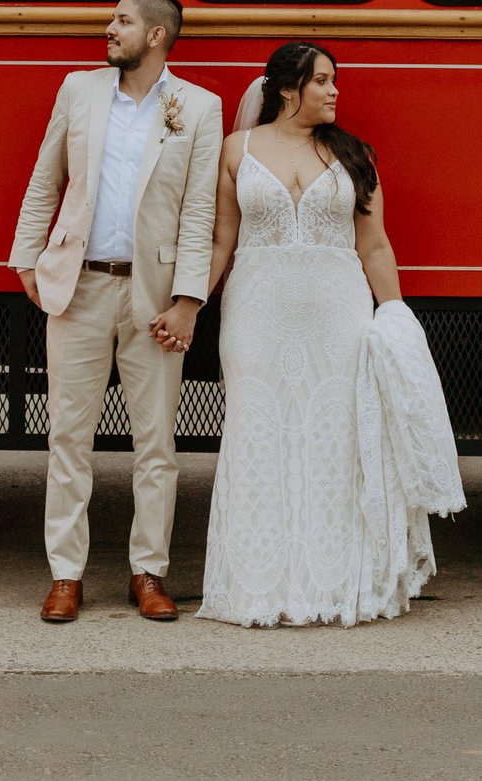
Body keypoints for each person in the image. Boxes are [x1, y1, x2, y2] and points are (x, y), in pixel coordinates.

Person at [160, 42, 465, 627]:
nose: (334, 92)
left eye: (334, 81)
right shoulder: (236, 149)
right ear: (285, 89)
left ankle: (332, 585)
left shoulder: (356, 155)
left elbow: (374, 244)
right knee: (258, 432)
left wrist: (395, 316)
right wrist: (188, 307)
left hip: (339, 315)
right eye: (322, 81)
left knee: (335, 439)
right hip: (254, 314)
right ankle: (257, 587)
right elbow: (222, 241)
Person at [8, 0, 222, 624]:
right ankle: (66, 575)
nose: (110, 29)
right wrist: (27, 259)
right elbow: (46, 178)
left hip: (153, 296)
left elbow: (199, 213)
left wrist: (187, 301)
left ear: (155, 36)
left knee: (155, 444)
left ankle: (148, 572)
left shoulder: (199, 108)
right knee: (68, 439)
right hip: (79, 286)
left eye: (122, 22)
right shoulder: (79, 90)